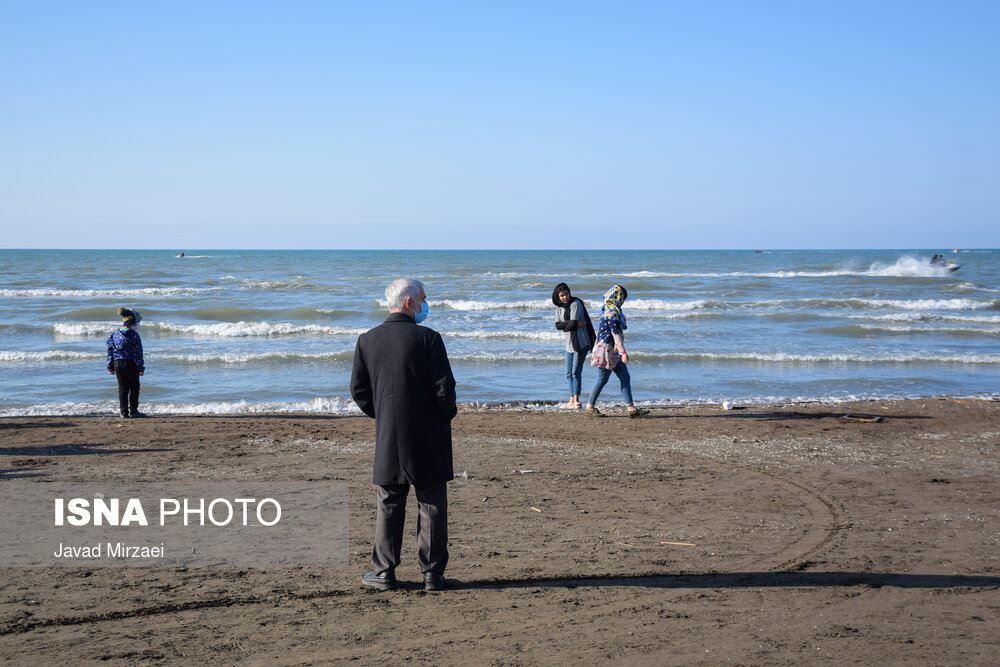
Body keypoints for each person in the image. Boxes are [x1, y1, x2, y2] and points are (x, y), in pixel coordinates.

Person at [350, 278, 458, 591]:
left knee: (390, 502)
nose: (426, 305)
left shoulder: (367, 340)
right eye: (423, 299)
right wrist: (443, 416)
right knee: (432, 502)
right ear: (410, 303)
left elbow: (359, 390)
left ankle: (383, 572)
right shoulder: (429, 339)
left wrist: (382, 414)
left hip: (389, 435)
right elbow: (444, 390)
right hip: (429, 434)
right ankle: (433, 573)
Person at [584, 285, 649, 419]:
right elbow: (616, 334)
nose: (623, 301)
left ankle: (631, 408)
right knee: (602, 379)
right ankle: (589, 407)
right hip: (607, 351)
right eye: (623, 298)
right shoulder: (611, 312)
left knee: (625, 377)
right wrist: (623, 352)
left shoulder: (612, 309)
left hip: (613, 351)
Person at [552, 282, 595, 409]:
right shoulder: (559, 308)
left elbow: (572, 322)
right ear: (557, 297)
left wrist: (571, 324)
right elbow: (557, 326)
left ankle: (576, 399)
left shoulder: (576, 303)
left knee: (576, 372)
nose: (565, 297)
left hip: (580, 343)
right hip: (568, 345)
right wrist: (572, 324)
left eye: (566, 294)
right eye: (562, 295)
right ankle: (571, 399)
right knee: (568, 373)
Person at [106, 307, 146, 418]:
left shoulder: (114, 334)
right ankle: (133, 411)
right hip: (130, 364)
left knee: (122, 388)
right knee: (134, 387)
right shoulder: (134, 335)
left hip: (118, 364)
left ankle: (123, 412)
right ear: (133, 322)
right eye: (136, 322)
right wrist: (141, 368)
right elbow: (138, 353)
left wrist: (110, 366)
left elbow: (110, 350)